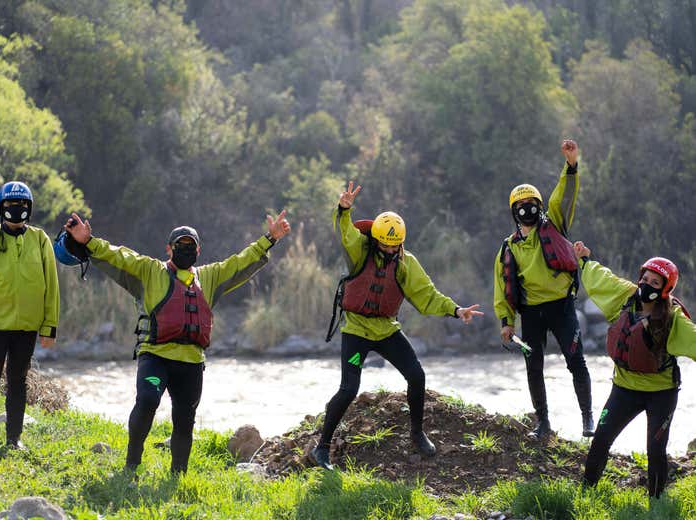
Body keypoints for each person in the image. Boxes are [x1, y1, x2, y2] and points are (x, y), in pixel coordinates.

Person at [61, 210, 291, 474]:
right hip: (155, 357)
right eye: (180, 245)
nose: (185, 249)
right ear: (169, 249)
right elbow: (118, 255)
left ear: (198, 250)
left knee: (184, 419)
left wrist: (269, 239)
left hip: (191, 363)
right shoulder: (149, 270)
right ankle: (131, 465)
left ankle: (178, 474)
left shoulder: (210, 276)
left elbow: (240, 262)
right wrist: (88, 241)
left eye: (190, 245)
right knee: (147, 400)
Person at [310, 182, 483, 470]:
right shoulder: (359, 249)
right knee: (349, 388)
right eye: (385, 244)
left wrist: (455, 310)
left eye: (395, 245)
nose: (390, 249)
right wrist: (343, 209)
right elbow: (345, 231)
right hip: (356, 331)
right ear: (375, 240)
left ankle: (417, 433)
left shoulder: (406, 263)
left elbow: (427, 295)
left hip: (387, 330)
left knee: (416, 375)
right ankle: (322, 448)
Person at [574, 242, 696, 498]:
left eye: (655, 283)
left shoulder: (674, 318)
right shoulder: (625, 297)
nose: (647, 285)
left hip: (661, 393)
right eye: (645, 279)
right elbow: (602, 279)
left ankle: (657, 504)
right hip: (624, 389)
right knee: (601, 439)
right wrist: (585, 260)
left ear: (665, 289)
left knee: (655, 450)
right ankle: (585, 494)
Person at [493, 139, 594, 440]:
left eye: (532, 204)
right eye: (521, 206)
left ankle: (588, 418)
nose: (527, 209)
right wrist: (506, 321)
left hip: (562, 307)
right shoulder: (509, 247)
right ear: (514, 212)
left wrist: (571, 166)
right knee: (533, 366)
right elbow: (502, 287)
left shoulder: (555, 224)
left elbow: (564, 196)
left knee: (576, 361)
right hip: (531, 313)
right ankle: (543, 422)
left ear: (540, 207)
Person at [0, 181, 59, 453]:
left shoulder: (40, 240)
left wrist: (49, 326)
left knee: (18, 382)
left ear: (30, 208)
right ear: (1, 207)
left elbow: (51, 285)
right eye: (10, 204)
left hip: (26, 330)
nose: (16, 209)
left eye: (22, 204)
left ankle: (13, 440)